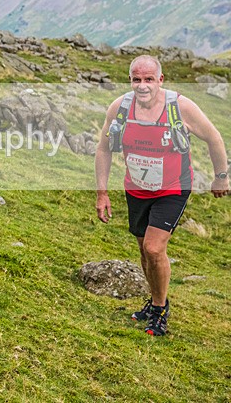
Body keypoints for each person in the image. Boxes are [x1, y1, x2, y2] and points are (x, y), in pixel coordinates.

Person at [95, 54, 229, 336]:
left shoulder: (180, 107)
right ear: (130, 80)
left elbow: (214, 137)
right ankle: (156, 300)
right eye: (136, 79)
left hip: (173, 188)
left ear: (161, 80)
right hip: (136, 188)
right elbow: (104, 149)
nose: (142, 85)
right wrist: (102, 192)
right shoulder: (120, 108)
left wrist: (221, 177)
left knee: (154, 248)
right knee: (144, 251)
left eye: (149, 79)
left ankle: (159, 310)